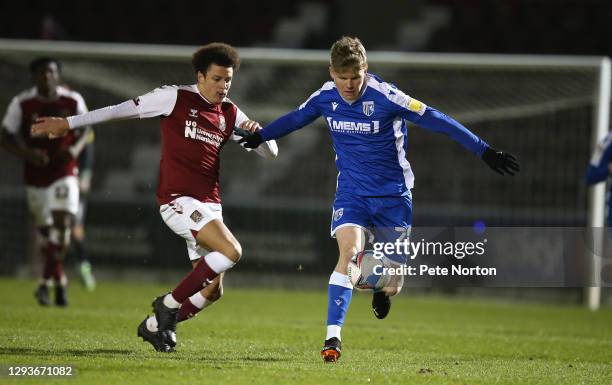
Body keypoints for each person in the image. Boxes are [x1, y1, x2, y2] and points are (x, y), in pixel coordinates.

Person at [240, 36, 520, 363]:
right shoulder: (325, 98)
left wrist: (484, 150)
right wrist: (262, 135)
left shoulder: (387, 97)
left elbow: (437, 119)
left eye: (355, 77)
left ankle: (381, 288)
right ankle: (333, 338)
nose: (348, 84)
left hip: (393, 198)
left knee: (392, 283)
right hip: (352, 192)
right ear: (331, 72)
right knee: (349, 254)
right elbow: (294, 119)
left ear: (365, 70)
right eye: (342, 77)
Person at [31, 43, 278, 352]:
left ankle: (151, 326)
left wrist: (260, 135)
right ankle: (168, 305)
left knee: (213, 291)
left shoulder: (229, 112)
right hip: (179, 201)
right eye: (217, 79)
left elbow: (271, 154)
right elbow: (117, 110)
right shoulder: (175, 97)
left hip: (210, 206)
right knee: (231, 251)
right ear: (200, 76)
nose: (223, 86)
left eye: (228, 80)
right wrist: (67, 123)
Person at [1, 57, 92, 307]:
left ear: (58, 76)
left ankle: (43, 283)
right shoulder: (22, 103)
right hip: (36, 175)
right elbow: (5, 136)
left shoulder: (73, 100)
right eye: (42, 73)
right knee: (48, 234)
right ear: (34, 77)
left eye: (51, 72)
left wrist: (74, 150)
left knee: (63, 225)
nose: (47, 77)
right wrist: (27, 154)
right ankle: (60, 280)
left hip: (64, 170)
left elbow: (86, 128)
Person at [72, 128, 96, 290]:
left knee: (75, 229)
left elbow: (88, 153)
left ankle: (84, 266)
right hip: (55, 181)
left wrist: (85, 177)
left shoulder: (84, 129)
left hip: (74, 184)